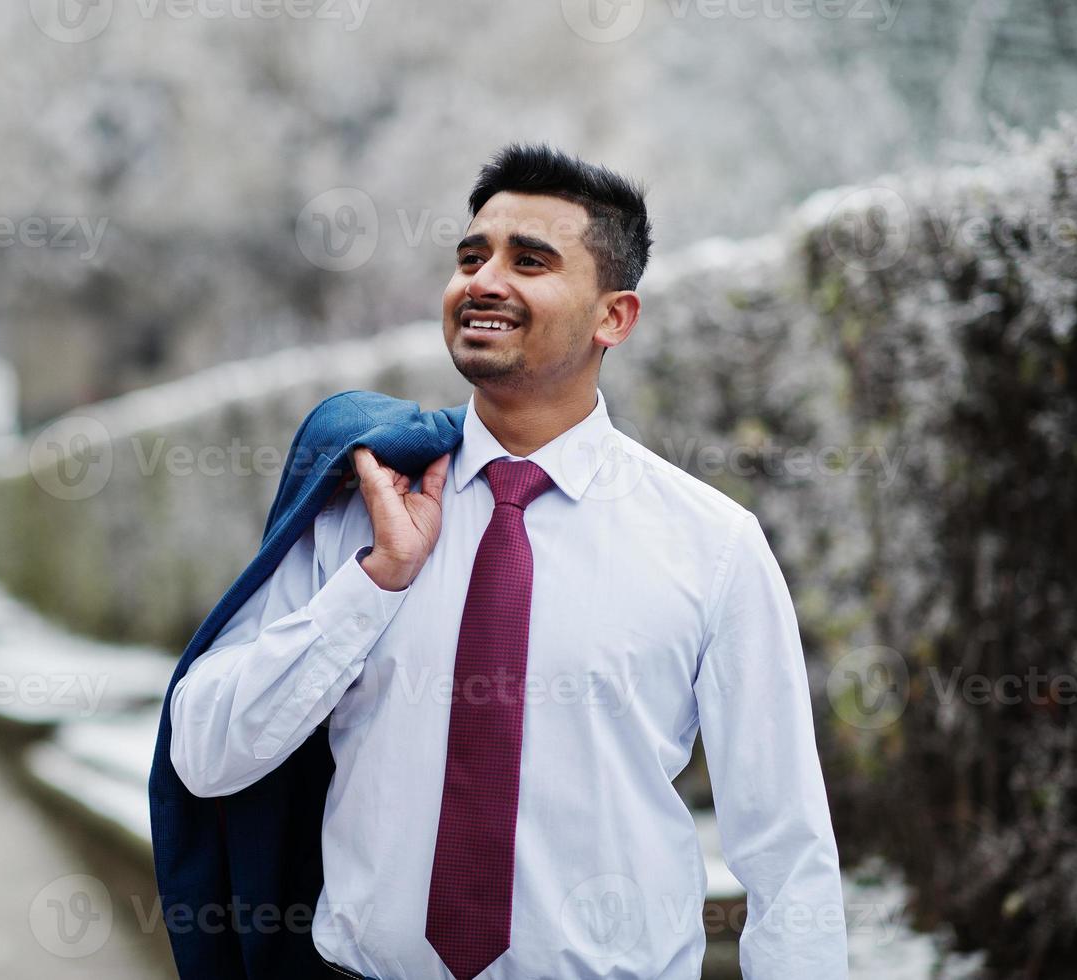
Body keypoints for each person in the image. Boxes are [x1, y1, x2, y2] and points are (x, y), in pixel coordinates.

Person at [168, 143, 848, 979]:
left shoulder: (710, 545)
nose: (483, 281)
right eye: (470, 257)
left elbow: (785, 846)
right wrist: (373, 584)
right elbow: (205, 755)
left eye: (529, 261)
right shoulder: (360, 504)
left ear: (614, 316)